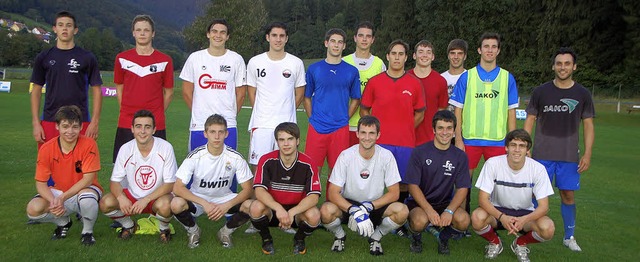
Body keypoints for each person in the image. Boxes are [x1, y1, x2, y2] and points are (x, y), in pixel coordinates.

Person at [524, 47, 595, 252]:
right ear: (553, 66)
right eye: (559, 63)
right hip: (541, 156)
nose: (562, 67)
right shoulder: (541, 91)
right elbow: (530, 119)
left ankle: (569, 237)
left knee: (567, 195)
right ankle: (531, 233)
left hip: (568, 156)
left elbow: (588, 125)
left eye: (566, 64)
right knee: (535, 196)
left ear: (574, 66)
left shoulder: (582, 94)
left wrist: (588, 153)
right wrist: (526, 145)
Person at [449, 32, 518, 215]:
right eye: (486, 46)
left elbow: (511, 112)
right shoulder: (467, 77)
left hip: (497, 141)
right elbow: (458, 111)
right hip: (470, 140)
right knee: (464, 184)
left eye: (493, 47)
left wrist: (512, 142)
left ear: (498, 51)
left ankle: (494, 222)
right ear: (479, 50)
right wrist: (458, 139)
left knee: (498, 185)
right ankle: (460, 224)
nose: (489, 50)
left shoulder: (507, 78)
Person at [320, 115, 408, 256]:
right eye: (363, 133)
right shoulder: (346, 155)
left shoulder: (386, 156)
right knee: (325, 211)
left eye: (371, 133)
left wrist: (369, 206)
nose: (367, 137)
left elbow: (394, 193)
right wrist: (353, 210)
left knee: (402, 211)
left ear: (378, 135)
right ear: (357, 133)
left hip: (374, 205)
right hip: (349, 204)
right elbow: (333, 192)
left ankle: (376, 237)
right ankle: (340, 235)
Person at [171, 114, 254, 248]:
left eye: (221, 132)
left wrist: (227, 205)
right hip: (198, 198)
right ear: (205, 134)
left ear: (226, 134)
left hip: (224, 198)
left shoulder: (235, 157)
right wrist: (204, 203)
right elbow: (178, 188)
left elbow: (248, 189)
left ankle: (225, 232)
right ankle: (193, 231)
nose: (217, 136)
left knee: (252, 206)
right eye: (212, 132)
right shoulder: (195, 156)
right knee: (175, 203)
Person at [471, 129, 555, 262]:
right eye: (513, 145)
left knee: (548, 228)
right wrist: (502, 217)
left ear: (527, 150)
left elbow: (544, 207)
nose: (517, 150)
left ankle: (520, 243)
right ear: (506, 148)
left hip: (525, 213)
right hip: (498, 211)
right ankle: (495, 242)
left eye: (522, 146)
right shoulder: (493, 164)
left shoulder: (538, 169)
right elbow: (482, 199)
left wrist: (524, 220)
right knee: (477, 217)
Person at [26, 105, 103, 245]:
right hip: (59, 191)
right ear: (57, 127)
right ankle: (64, 222)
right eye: (65, 126)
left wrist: (62, 197)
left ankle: (87, 232)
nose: (70, 131)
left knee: (87, 199)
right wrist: (54, 200)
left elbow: (88, 179)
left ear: (81, 127)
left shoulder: (89, 144)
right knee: (33, 209)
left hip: (84, 190)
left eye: (74, 127)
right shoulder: (46, 148)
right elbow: (40, 183)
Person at [360, 39, 425, 203]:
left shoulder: (415, 83)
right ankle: (373, 214)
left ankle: (398, 219)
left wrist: (407, 127)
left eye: (401, 54)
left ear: (406, 57)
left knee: (403, 182)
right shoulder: (375, 82)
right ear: (388, 56)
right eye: (394, 54)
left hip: (405, 143)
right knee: (375, 181)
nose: (397, 57)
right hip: (380, 142)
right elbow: (364, 110)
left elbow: (420, 113)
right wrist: (373, 132)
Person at [100, 110, 177, 242]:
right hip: (133, 196)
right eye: (138, 126)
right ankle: (128, 225)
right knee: (105, 203)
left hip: (156, 197)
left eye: (147, 127)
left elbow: (170, 184)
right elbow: (114, 182)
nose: (142, 131)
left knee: (166, 205)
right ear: (132, 129)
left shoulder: (165, 148)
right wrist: (121, 197)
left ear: (154, 130)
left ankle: (164, 228)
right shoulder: (125, 148)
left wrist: (146, 199)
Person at [30, 11, 103, 148]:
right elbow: (36, 90)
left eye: (69, 25)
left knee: (81, 167)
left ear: (75, 30)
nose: (64, 28)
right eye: (61, 25)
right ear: (54, 29)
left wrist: (94, 122)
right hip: (50, 120)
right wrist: (36, 123)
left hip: (80, 122)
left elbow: (97, 91)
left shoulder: (87, 57)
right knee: (49, 166)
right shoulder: (44, 57)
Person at [303, 28, 360, 199]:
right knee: (312, 169)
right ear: (326, 43)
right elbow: (307, 98)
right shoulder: (314, 69)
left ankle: (331, 207)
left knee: (336, 171)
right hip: (317, 127)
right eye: (333, 41)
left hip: (339, 129)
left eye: (340, 42)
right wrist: (313, 118)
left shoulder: (351, 71)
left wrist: (344, 118)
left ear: (344, 46)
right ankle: (309, 208)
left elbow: (356, 99)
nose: (336, 45)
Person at [249, 122, 321, 255]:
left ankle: (299, 239)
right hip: (273, 210)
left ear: (297, 141)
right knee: (255, 207)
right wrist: (278, 208)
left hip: (297, 212)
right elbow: (259, 190)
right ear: (277, 142)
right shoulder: (266, 160)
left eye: (290, 139)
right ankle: (266, 239)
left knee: (314, 215)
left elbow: (314, 196)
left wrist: (292, 212)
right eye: (281, 140)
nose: (286, 144)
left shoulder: (308, 163)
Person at [405, 110, 471, 255]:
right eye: (440, 128)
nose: (445, 132)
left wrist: (449, 211)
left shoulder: (460, 156)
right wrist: (428, 210)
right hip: (420, 203)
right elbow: (412, 185)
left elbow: (462, 188)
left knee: (464, 220)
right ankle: (416, 238)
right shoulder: (419, 152)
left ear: (454, 131)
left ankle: (444, 237)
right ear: (433, 130)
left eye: (449, 128)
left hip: (444, 203)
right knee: (419, 221)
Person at [112, 15, 174, 163]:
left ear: (153, 33)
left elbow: (169, 92)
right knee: (125, 166)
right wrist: (126, 109)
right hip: (127, 121)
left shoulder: (165, 60)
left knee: (156, 167)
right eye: (138, 30)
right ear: (133, 33)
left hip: (156, 122)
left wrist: (156, 112)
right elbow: (119, 88)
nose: (142, 33)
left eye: (146, 30)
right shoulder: (122, 58)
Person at [180, 18, 246, 152]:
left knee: (227, 167)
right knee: (198, 167)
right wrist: (198, 112)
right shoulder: (195, 58)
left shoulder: (236, 59)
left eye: (222, 32)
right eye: (214, 31)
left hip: (228, 125)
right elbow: (187, 92)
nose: (218, 35)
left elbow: (241, 93)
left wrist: (231, 115)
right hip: (200, 124)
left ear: (227, 36)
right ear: (208, 34)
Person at [246, 22, 306, 168]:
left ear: (286, 39)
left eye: (281, 36)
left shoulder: (295, 63)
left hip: (286, 123)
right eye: (274, 35)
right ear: (267, 37)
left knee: (285, 166)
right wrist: (262, 111)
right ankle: (257, 192)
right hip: (261, 124)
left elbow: (300, 93)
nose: (278, 39)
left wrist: (286, 110)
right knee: (259, 166)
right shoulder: (255, 62)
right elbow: (251, 92)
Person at [343, 21, 386, 146]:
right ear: (355, 38)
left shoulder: (379, 64)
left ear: (372, 40)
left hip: (370, 127)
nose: (364, 39)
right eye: (361, 35)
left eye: (368, 36)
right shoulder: (344, 62)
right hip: (347, 125)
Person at [408, 40, 449, 145]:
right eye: (421, 51)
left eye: (428, 52)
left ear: (433, 57)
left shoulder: (440, 81)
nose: (424, 55)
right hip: (406, 138)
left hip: (430, 140)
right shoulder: (405, 78)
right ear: (414, 55)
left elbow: (441, 111)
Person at [441, 39, 468, 113]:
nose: (456, 57)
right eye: (452, 53)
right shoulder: (440, 79)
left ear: (465, 56)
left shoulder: (470, 78)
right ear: (448, 56)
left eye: (460, 53)